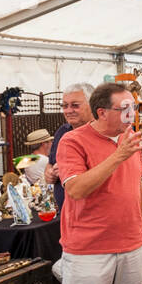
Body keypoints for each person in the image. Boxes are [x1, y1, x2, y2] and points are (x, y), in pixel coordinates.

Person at [55, 82, 142, 284]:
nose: (131, 114)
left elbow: (137, 184)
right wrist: (118, 155)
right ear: (102, 112)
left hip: (131, 245)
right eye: (124, 108)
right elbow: (76, 189)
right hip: (90, 250)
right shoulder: (72, 141)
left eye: (133, 107)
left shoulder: (129, 137)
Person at [44, 82, 94, 212]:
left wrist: (69, 171)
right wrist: (49, 173)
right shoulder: (62, 132)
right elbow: (51, 163)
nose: (68, 110)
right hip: (65, 213)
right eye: (65, 106)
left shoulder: (101, 134)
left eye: (75, 105)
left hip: (91, 214)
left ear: (92, 104)